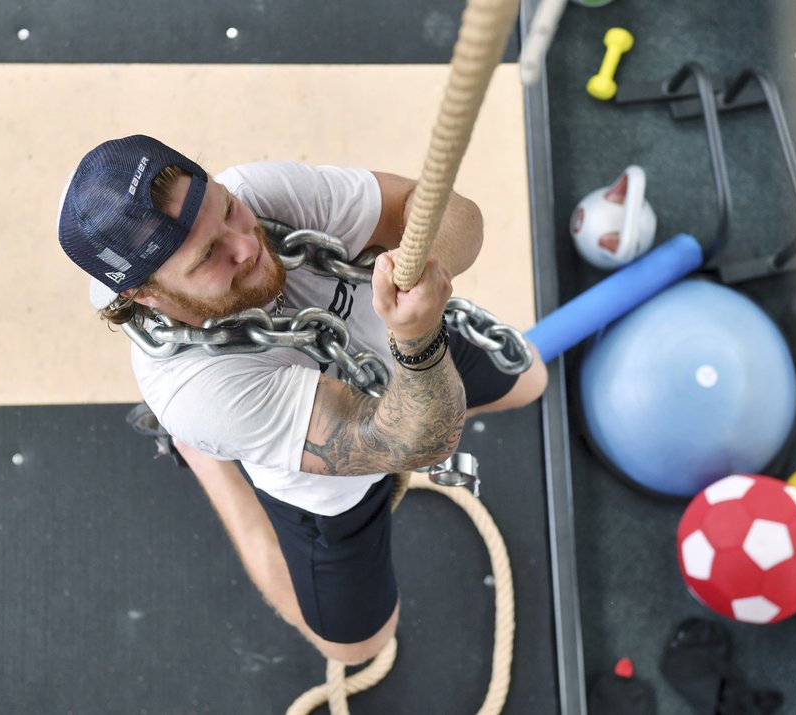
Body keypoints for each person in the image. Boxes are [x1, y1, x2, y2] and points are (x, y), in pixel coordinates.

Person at [58, 135, 547, 665]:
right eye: (208, 258)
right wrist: (419, 337)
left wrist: (425, 270)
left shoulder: (260, 194)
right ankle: (206, 458)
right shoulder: (196, 391)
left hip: (398, 348)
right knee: (359, 648)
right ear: (147, 295)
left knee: (532, 379)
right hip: (328, 491)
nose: (245, 244)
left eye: (228, 210)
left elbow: (445, 210)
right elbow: (418, 441)